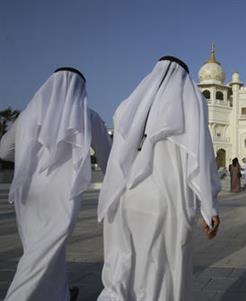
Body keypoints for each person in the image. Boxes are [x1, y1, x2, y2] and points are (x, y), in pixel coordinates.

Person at [97, 56, 221, 301]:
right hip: (166, 203)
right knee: (160, 274)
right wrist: (209, 207)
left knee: (122, 275)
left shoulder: (128, 106)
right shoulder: (191, 101)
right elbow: (201, 158)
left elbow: (115, 158)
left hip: (124, 199)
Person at [0, 67, 112, 301]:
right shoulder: (88, 116)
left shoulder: (28, 115)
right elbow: (108, 158)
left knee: (41, 250)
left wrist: (27, 160)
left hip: (28, 193)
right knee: (41, 255)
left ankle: (58, 294)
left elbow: (4, 150)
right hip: (62, 196)